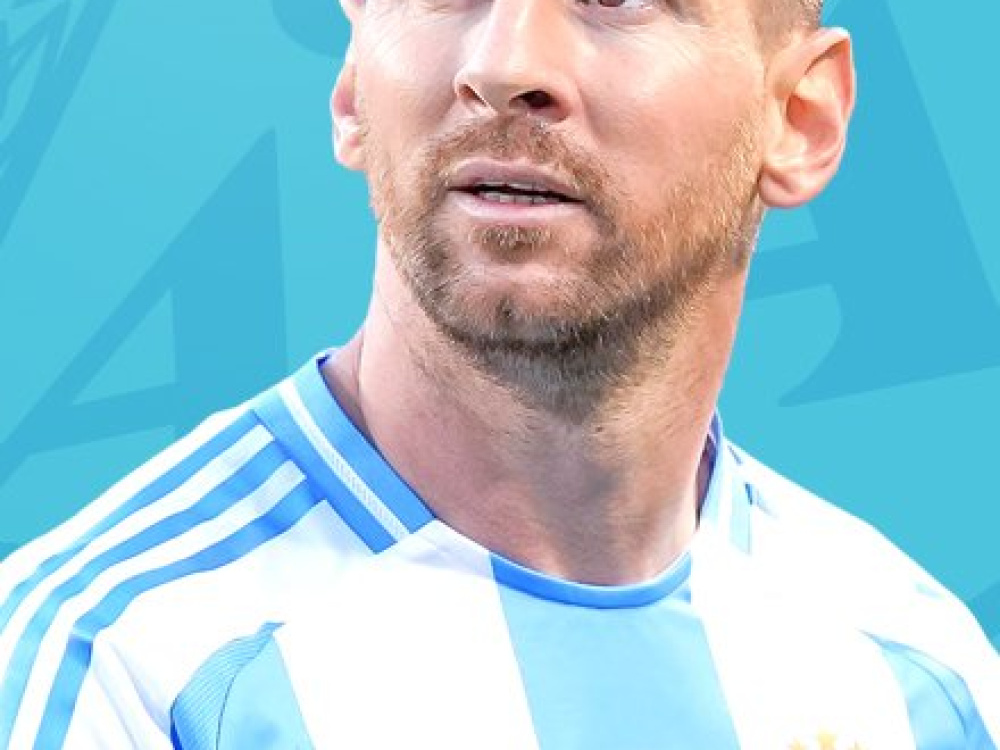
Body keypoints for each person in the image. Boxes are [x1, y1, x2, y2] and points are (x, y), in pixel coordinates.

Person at [1, 0, 998, 746]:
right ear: (351, 90)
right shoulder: (117, 664)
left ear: (800, 117)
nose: (505, 64)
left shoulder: (919, 676)